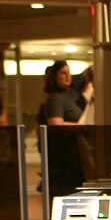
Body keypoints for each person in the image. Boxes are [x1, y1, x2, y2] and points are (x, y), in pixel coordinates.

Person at [42, 61, 85, 196]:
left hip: (76, 153)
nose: (68, 76)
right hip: (64, 158)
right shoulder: (55, 98)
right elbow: (55, 123)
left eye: (69, 72)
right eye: (63, 73)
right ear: (55, 76)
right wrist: (83, 126)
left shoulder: (72, 94)